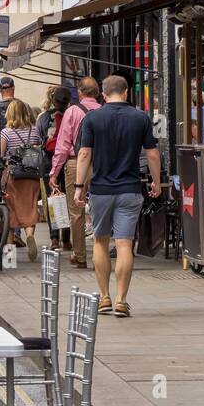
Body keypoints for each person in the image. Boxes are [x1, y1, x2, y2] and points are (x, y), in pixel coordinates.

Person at [75, 75, 161, 318]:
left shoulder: (92, 118)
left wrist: (80, 186)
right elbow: (152, 154)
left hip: (101, 190)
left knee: (101, 241)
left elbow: (84, 154)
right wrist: (155, 182)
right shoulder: (140, 117)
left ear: (103, 94)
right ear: (126, 92)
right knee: (124, 243)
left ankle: (104, 298)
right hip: (130, 189)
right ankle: (122, 300)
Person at [50, 77, 102, 269]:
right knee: (101, 208)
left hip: (75, 163)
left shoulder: (72, 111)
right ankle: (101, 252)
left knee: (76, 210)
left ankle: (80, 255)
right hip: (101, 163)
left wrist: (54, 172)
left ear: (80, 92)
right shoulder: (103, 111)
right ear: (97, 93)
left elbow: (63, 145)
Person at [0, 97, 42, 262]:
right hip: (31, 176)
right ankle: (30, 235)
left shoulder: (6, 132)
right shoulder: (34, 130)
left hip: (13, 175)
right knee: (30, 207)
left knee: (10, 212)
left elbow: (1, 155)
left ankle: (9, 258)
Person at [36, 87, 72, 251]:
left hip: (49, 161)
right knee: (68, 199)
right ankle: (66, 238)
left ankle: (54, 238)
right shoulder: (73, 114)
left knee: (53, 199)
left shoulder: (43, 117)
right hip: (69, 161)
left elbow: (38, 138)